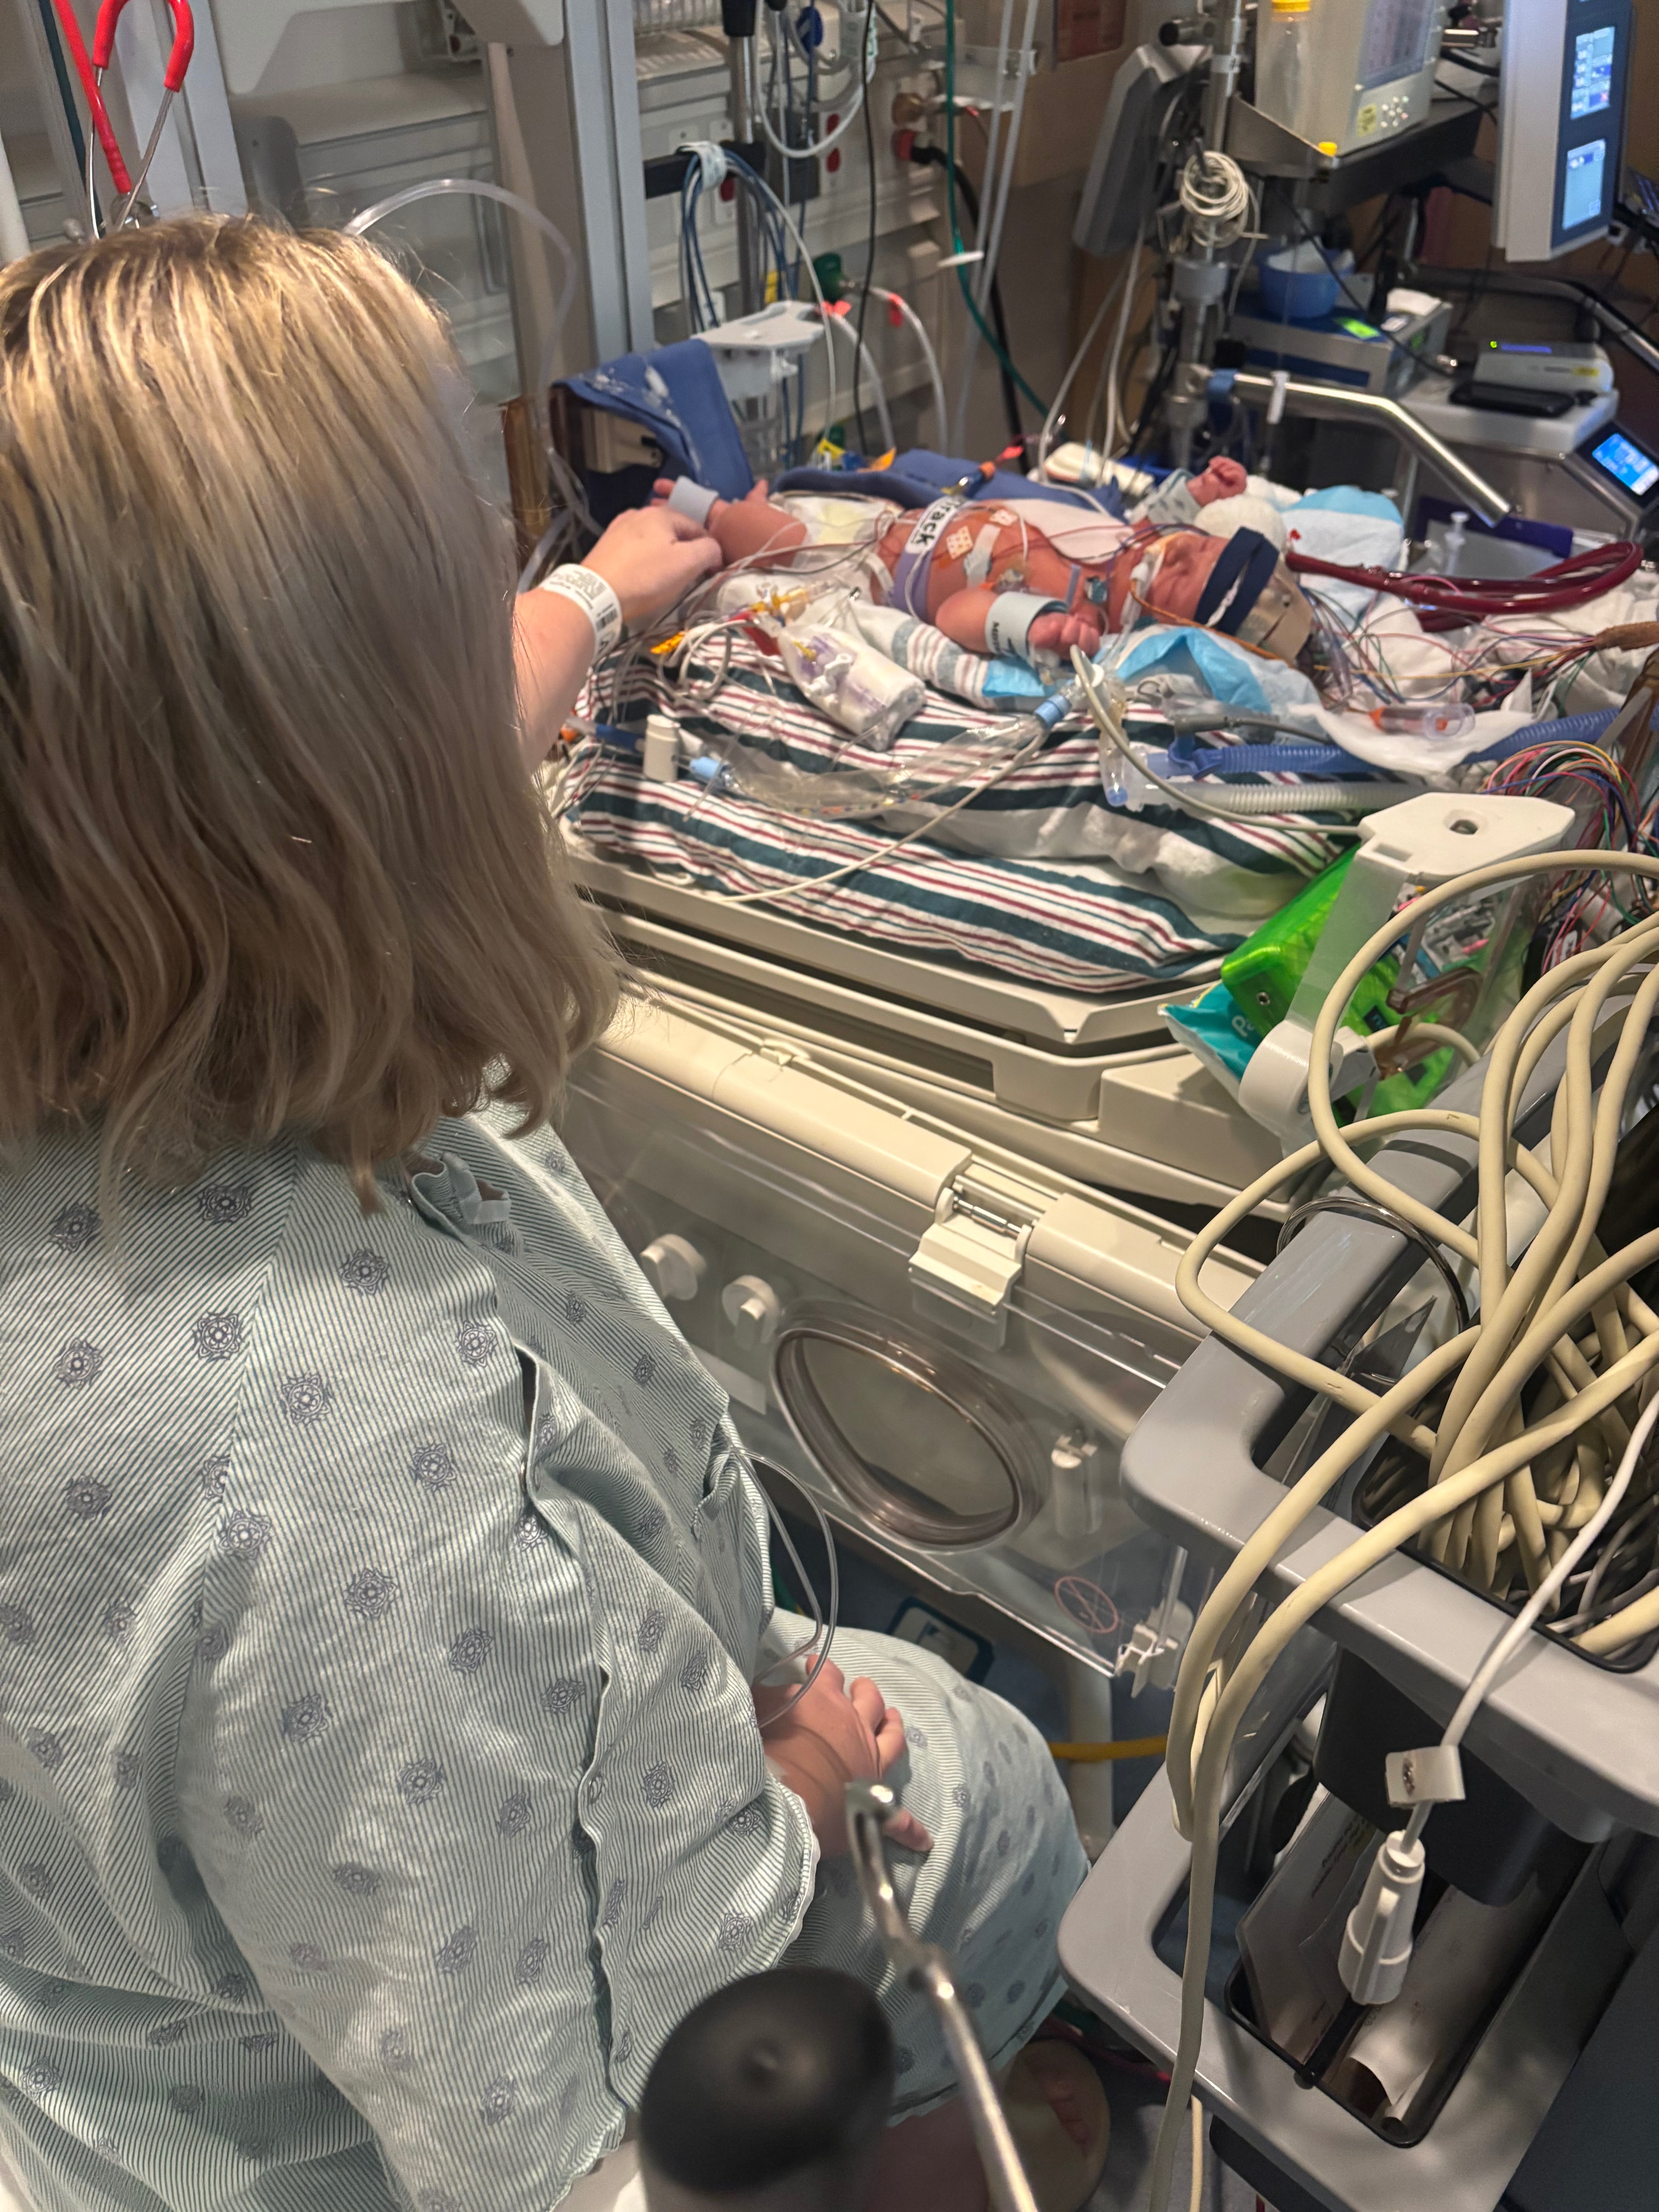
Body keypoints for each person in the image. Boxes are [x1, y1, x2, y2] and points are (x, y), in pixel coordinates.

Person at [0, 216, 1099, 2212]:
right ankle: (964, 2131)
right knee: (986, 1781)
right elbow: (601, 2155)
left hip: (113, 2064)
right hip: (485, 2106)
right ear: (351, 766)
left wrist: (599, 592)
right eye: (463, 566)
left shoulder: (109, 956)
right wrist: (794, 1794)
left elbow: (385, 741)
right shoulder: (370, 1466)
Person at [656, 454, 1314, 666]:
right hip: (889, 520)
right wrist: (1196, 496)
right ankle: (732, 515)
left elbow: (956, 614)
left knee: (780, 538)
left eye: (1181, 572)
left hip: (870, 572)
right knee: (799, 515)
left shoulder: (1075, 617)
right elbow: (1142, 526)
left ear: (1156, 628)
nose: (1180, 547)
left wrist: (1034, 628)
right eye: (1199, 542)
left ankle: (694, 515)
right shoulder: (1122, 547)